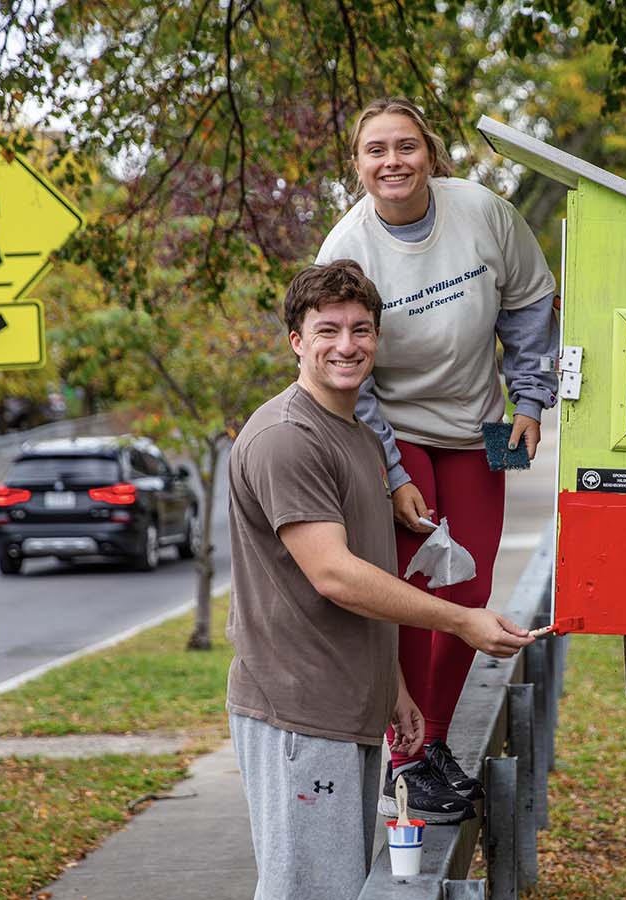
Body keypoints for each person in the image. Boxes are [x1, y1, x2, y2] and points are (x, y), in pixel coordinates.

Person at [226, 259, 533, 900]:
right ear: (296, 342)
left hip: (351, 708)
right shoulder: (289, 438)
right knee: (308, 892)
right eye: (328, 330)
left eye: (361, 330)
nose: (347, 345)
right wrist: (459, 619)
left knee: (337, 884)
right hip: (300, 714)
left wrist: (393, 687)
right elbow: (335, 574)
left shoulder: (361, 437)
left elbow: (368, 572)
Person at [316, 97, 560, 822]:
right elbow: (345, 369)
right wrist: (391, 474)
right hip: (394, 429)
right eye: (375, 151)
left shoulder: (481, 212)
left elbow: (529, 306)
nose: (393, 162)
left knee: (469, 593)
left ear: (430, 153)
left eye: (406, 147)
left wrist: (530, 401)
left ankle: (438, 742)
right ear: (357, 166)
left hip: (483, 425)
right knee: (419, 598)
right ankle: (408, 754)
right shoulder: (346, 248)